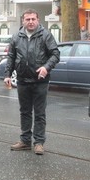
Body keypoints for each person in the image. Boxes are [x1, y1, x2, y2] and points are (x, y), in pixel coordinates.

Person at [5, 9, 60, 155]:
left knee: (40, 113)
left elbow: (55, 54)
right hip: (23, 80)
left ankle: (39, 143)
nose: (30, 22)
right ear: (23, 21)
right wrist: (7, 74)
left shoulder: (45, 35)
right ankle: (25, 141)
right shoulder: (17, 36)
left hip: (40, 81)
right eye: (27, 19)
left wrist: (46, 67)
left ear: (38, 20)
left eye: (33, 19)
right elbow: (11, 56)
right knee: (25, 112)